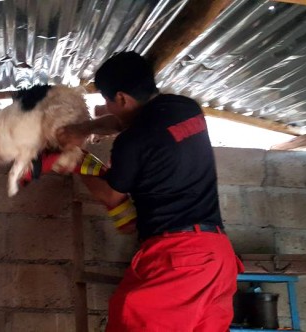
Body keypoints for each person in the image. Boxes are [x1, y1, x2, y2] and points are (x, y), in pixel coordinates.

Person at [55, 51, 244, 331]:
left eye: (107, 101)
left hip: (178, 259)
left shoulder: (132, 142)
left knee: (130, 319)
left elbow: (111, 195)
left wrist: (76, 159)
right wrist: (83, 129)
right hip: (218, 257)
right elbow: (125, 122)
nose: (107, 108)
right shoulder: (186, 108)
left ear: (120, 98)